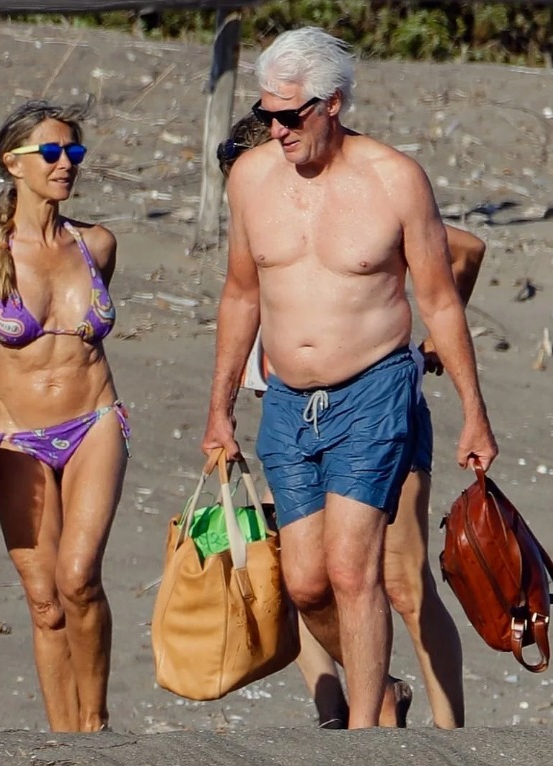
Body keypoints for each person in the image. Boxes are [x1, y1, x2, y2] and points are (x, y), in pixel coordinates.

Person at [202, 27, 497, 730]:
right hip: (287, 400)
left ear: (331, 103)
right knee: (305, 584)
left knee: (354, 570)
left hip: (374, 391)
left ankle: (364, 736)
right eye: (266, 113)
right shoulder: (251, 179)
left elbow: (440, 301)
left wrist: (474, 413)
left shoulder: (394, 179)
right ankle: (383, 693)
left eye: (289, 115)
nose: (275, 129)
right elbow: (240, 295)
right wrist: (219, 409)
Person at [0, 99, 130, 733]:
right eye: (52, 152)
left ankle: (96, 726)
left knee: (78, 578)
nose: (66, 164)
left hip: (94, 421)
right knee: (45, 603)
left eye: (74, 152)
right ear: (14, 163)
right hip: (17, 438)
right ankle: (66, 741)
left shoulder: (96, 244)